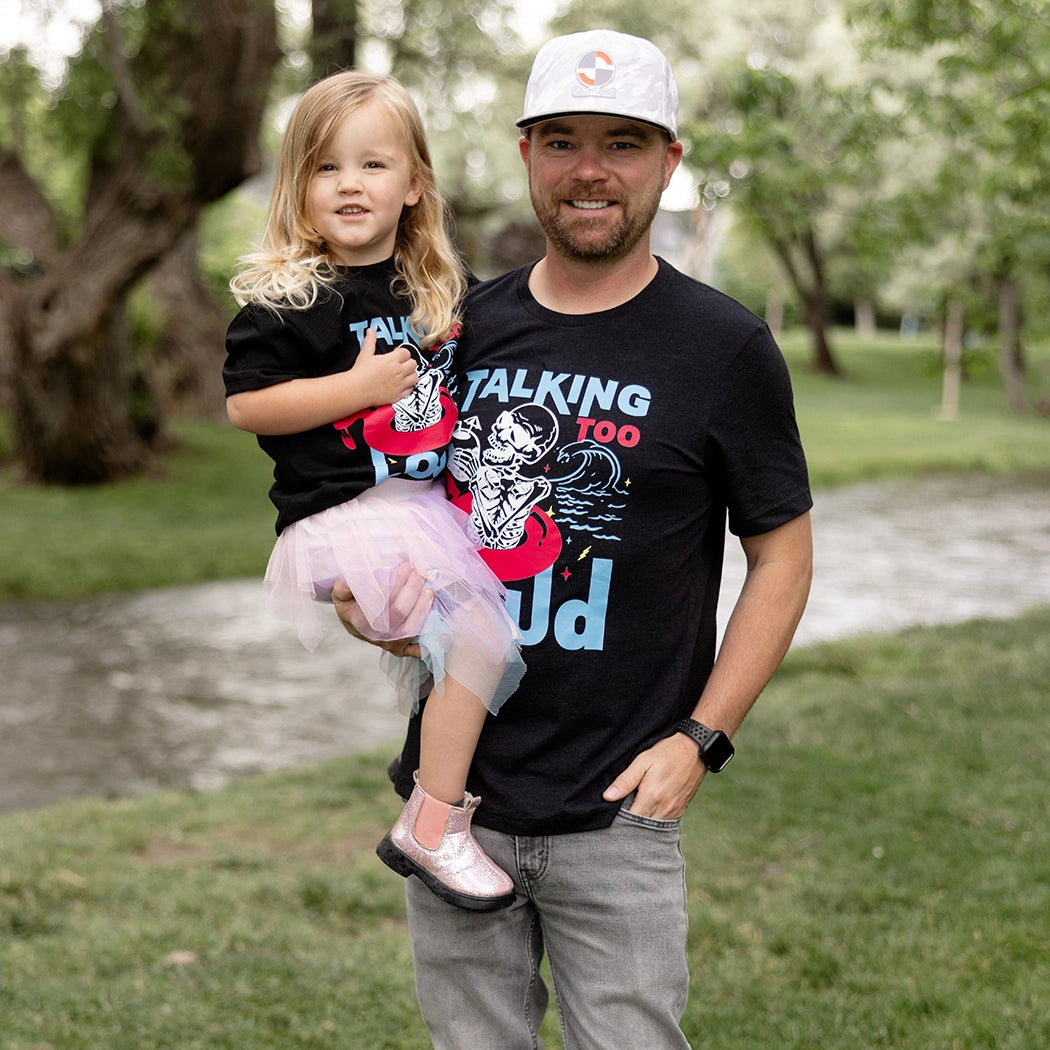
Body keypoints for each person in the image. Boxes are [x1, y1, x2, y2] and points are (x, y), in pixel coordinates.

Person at [336, 29, 814, 1049]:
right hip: (454, 801)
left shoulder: (725, 347)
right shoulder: (457, 326)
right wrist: (364, 596)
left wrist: (702, 739)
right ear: (525, 155)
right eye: (561, 140)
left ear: (668, 162)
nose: (590, 170)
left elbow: (781, 555)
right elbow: (401, 511)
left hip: (620, 811)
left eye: (623, 143)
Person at [223, 71, 526, 912]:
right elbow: (248, 403)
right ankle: (433, 822)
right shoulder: (290, 296)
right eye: (326, 168)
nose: (351, 184)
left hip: (419, 511)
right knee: (467, 636)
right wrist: (359, 388)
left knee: (479, 644)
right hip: (342, 518)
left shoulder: (434, 292)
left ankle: (431, 812)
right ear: (298, 187)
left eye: (373, 165)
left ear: (414, 184)